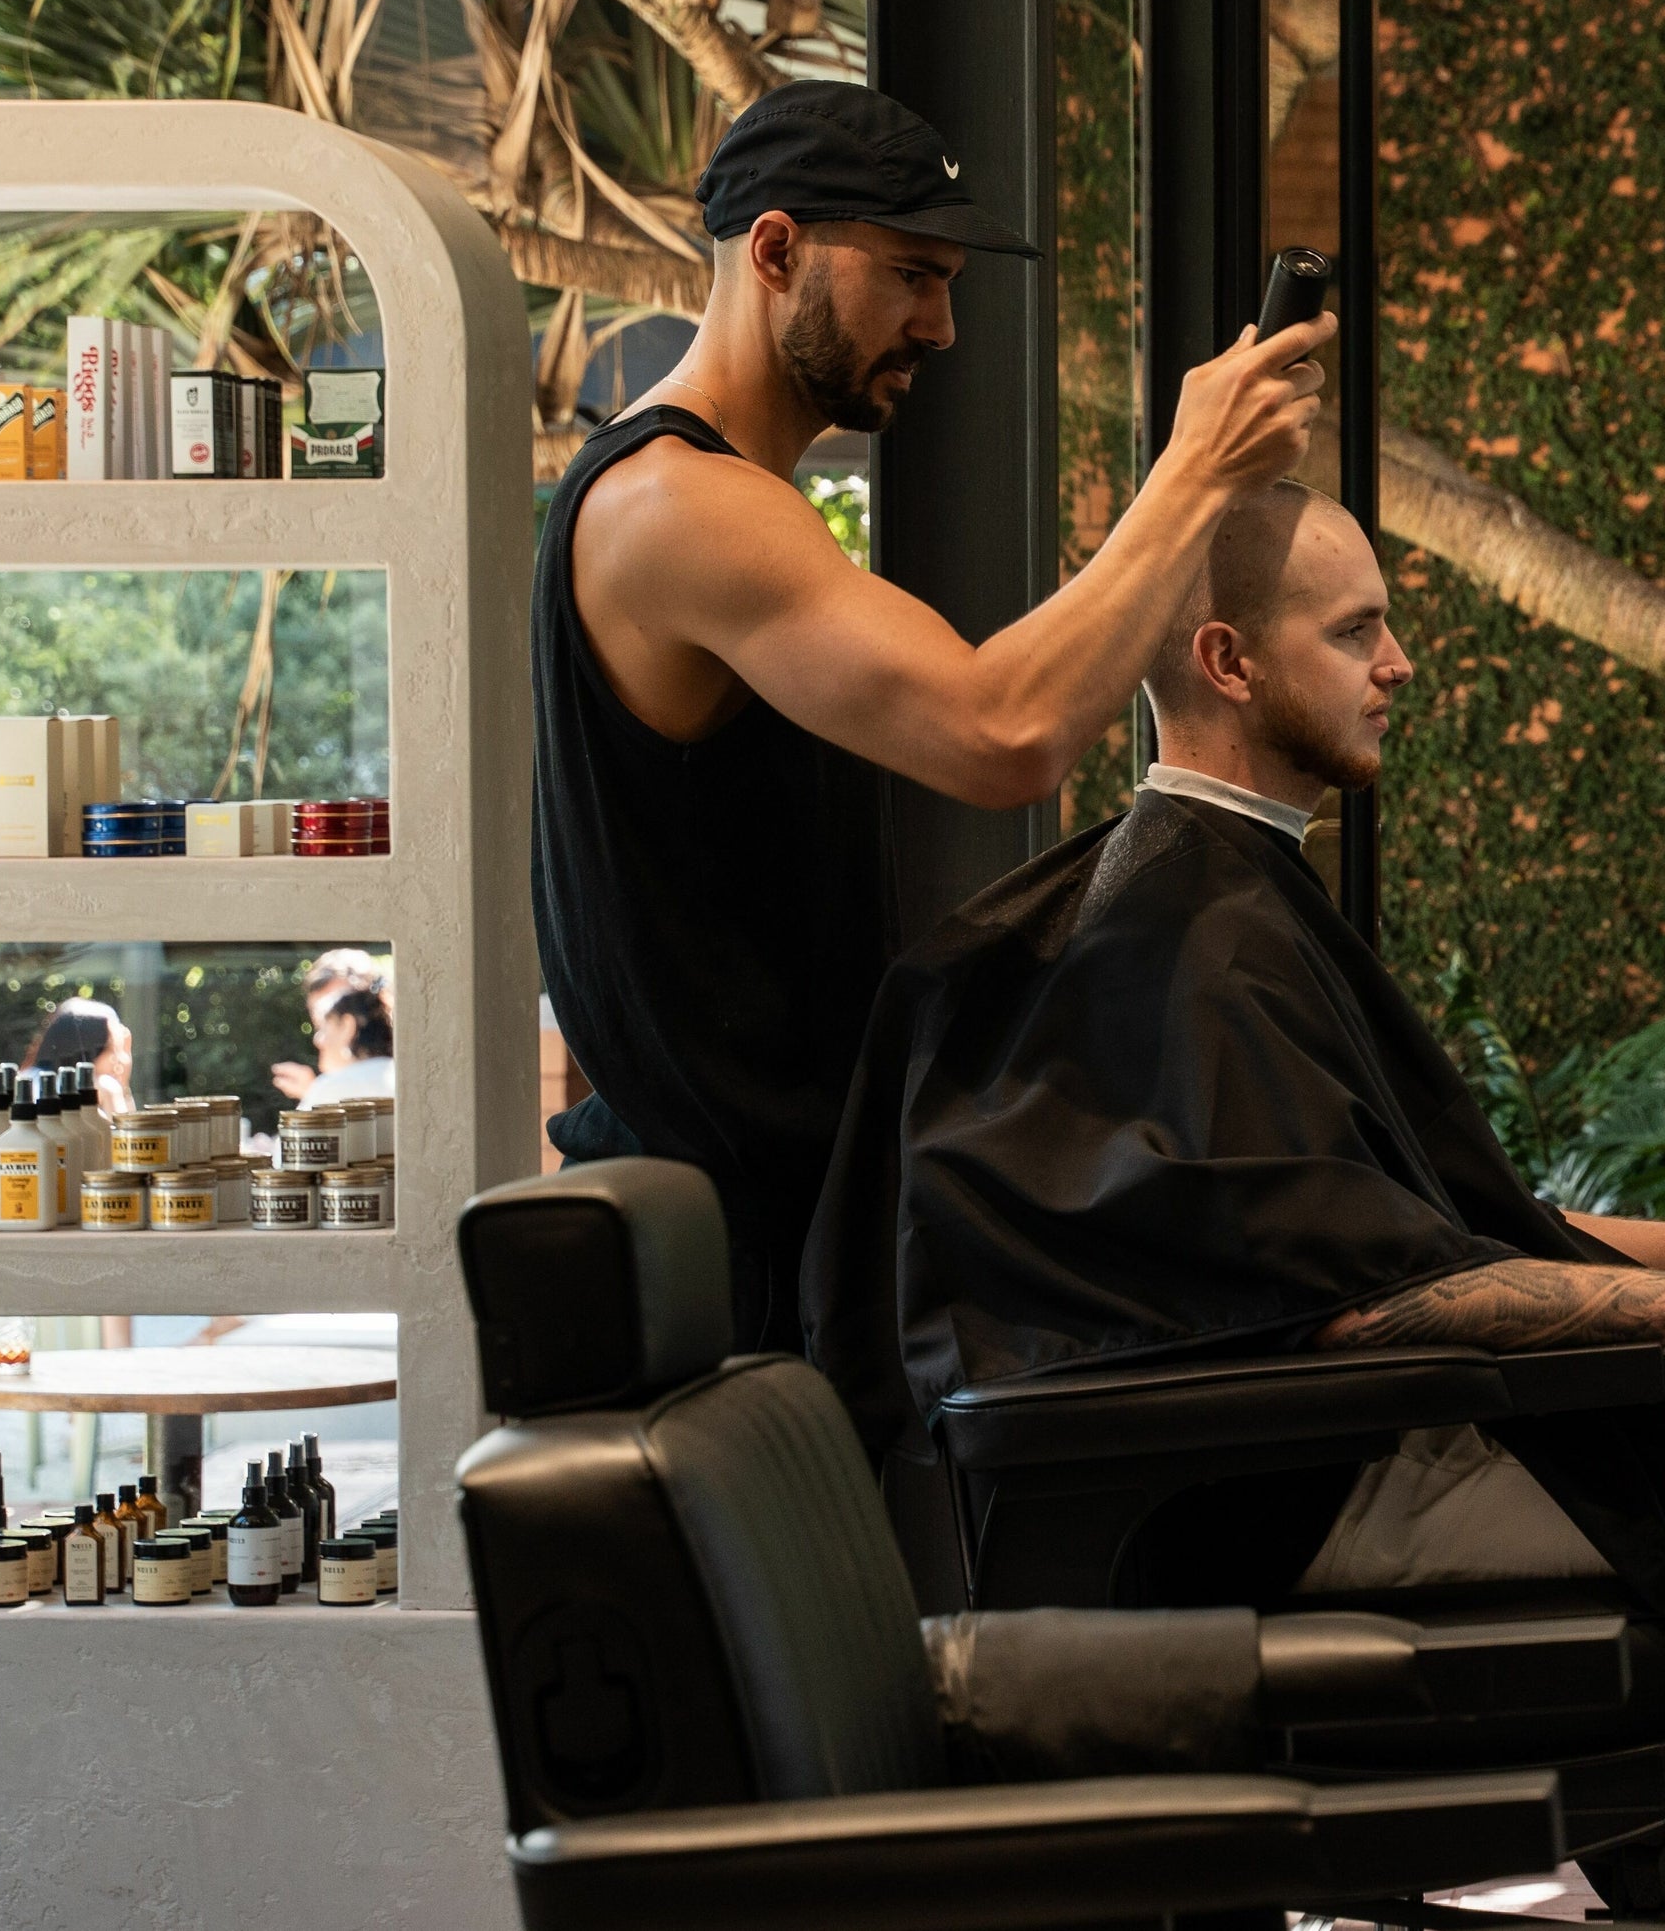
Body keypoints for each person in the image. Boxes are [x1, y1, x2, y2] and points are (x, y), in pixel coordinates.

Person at [808, 484, 1665, 1930]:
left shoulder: (1224, 891)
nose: (1400, 659)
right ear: (1230, 661)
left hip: (1355, 1430)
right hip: (1296, 1477)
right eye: (1357, 628)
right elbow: (1361, 1293)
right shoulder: (1193, 931)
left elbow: (1393, 1214)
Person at [535, 79, 1333, 1348]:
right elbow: (1001, 732)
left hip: (794, 1218)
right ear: (779, 249)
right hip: (728, 1262)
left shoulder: (735, 499)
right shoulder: (674, 505)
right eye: (912, 272)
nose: (944, 324)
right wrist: (1193, 472)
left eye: (949, 280)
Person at [268, 949, 387, 1104]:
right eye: (320, 1022)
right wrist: (314, 1092)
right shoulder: (332, 1086)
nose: (319, 1040)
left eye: (337, 1007)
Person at [20, 997, 134, 1116]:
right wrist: (120, 1088)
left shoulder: (26, 1078)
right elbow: (126, 1131)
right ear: (90, 1048)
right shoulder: (104, 1086)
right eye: (113, 1049)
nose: (119, 1060)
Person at [297, 989, 393, 1104]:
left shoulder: (331, 1088)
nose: (318, 1041)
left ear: (347, 1026)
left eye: (322, 1028)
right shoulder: (405, 1076)